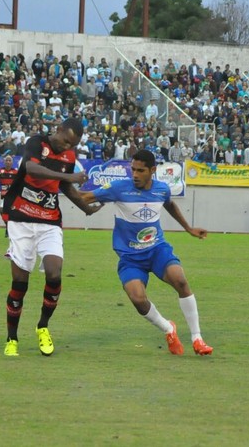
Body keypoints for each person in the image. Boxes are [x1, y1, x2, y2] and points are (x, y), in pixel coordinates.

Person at [80, 150, 214, 356]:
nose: (134, 174)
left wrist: (188, 228)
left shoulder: (162, 189)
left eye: (140, 170)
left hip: (157, 249)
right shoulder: (118, 188)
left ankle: (197, 338)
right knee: (137, 298)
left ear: (152, 170)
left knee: (180, 281)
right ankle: (169, 329)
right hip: (130, 257)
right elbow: (85, 197)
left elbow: (169, 204)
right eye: (132, 169)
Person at [1, 117, 101, 357]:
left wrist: (86, 208)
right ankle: (12, 338)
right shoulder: (36, 143)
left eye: (72, 145)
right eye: (66, 141)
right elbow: (31, 168)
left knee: (55, 274)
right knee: (20, 284)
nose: (67, 148)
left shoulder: (68, 157)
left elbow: (65, 188)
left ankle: (43, 327)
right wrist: (69, 177)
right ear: (58, 130)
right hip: (21, 220)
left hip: (49, 221)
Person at [0, 155, 18, 237]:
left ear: (12, 162)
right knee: (2, 211)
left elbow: (19, 182)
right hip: (4, 195)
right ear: (4, 161)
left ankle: (12, 228)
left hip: (13, 196)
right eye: (7, 160)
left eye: (9, 160)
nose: (8, 162)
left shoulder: (15, 172)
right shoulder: (0, 170)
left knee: (13, 212)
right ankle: (7, 226)